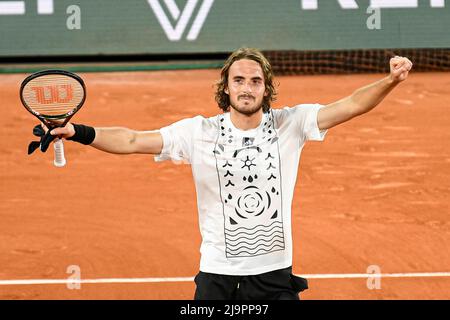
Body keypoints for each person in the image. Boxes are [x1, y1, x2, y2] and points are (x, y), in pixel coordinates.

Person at [34, 48, 412, 300]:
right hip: (217, 276)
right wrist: (79, 132)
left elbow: (350, 105)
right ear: (225, 87)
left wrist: (391, 81)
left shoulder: (291, 123)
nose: (247, 88)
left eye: (255, 81)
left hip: (274, 277)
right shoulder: (198, 131)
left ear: (266, 88)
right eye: (239, 80)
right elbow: (132, 139)